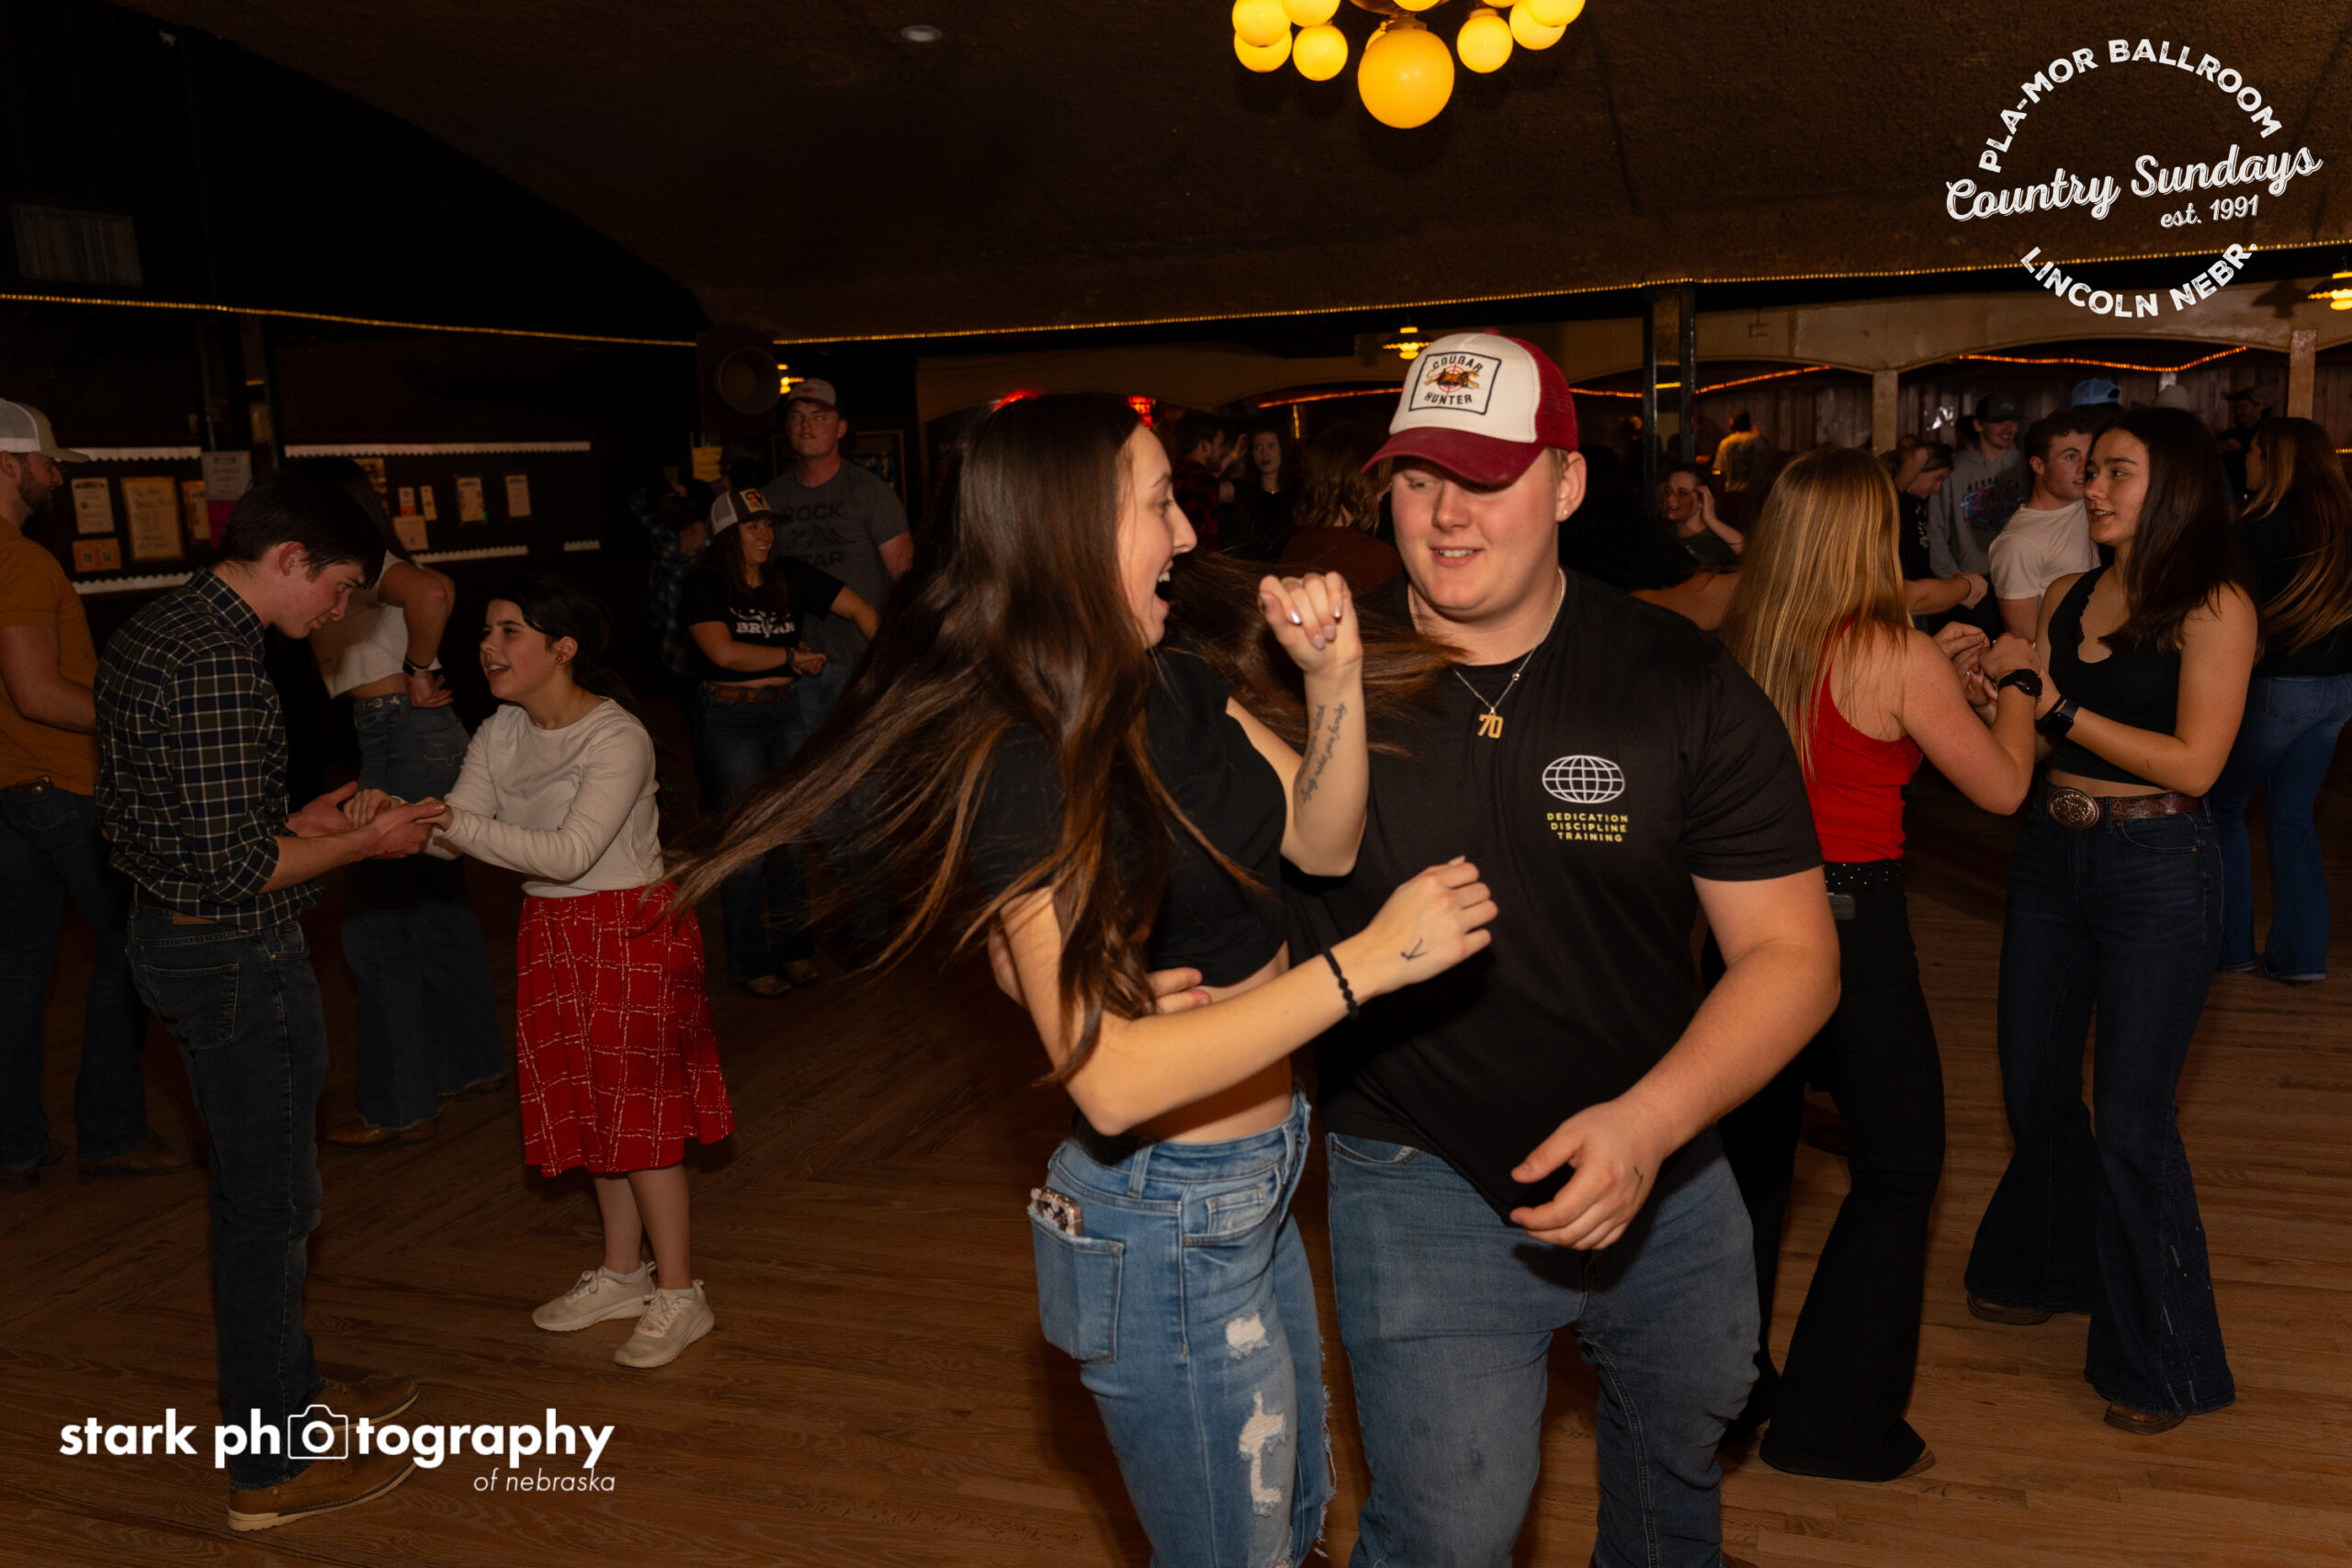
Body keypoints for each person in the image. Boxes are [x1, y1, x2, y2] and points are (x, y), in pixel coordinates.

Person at [665, 390, 1493, 1567]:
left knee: (1295, 1524)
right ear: (1071, 530)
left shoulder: (1171, 674)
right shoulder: (1021, 754)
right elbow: (1108, 1079)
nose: (1187, 534)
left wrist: (1333, 682)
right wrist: (1368, 963)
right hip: (1165, 1215)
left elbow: (1320, 844)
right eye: (1160, 505)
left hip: (1255, 1180)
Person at [1288, 333, 1840, 1568]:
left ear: (1567, 483)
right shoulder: (1319, 673)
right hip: (1422, 1166)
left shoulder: (1678, 679)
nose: (1445, 513)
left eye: (1485, 476)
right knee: (1450, 1531)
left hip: (1667, 1157)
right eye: (1419, 476)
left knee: (1673, 1480)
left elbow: (1792, 953)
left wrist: (1649, 1126)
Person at [96, 468, 447, 1530]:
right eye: (338, 588)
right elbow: (234, 870)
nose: (341, 612)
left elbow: (181, 826)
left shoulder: (159, 628)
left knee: (259, 1196)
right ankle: (272, 1463)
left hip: (176, 937)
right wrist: (366, 844)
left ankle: (289, 1395)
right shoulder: (217, 662)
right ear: (290, 559)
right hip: (231, 955)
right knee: (272, 1210)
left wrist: (305, 822)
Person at [1713, 446, 2040, 1481]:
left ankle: (1721, 1400)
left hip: (1736, 924)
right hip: (1849, 929)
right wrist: (2014, 684)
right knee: (1900, 1166)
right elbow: (2002, 788)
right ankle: (1833, 1423)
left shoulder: (1737, 638)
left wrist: (1947, 675)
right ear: (1870, 536)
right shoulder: (1891, 654)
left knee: (1746, 1172)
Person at [1963, 407, 2257, 1437]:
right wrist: (1989, 689)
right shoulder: (2066, 594)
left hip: (2158, 864)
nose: (2092, 488)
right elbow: (2032, 749)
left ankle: (2164, 1363)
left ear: (2173, 484)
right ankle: (2054, 1265)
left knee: (2133, 1119)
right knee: (2034, 1084)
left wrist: (2055, 705)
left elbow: (2197, 764)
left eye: (2116, 473)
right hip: (2053, 853)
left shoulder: (2214, 605)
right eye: (2090, 471)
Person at [351, 575, 733, 1367]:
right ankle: (623, 1273)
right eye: (486, 632)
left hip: (630, 929)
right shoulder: (502, 729)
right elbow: (455, 836)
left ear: (563, 649)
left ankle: (680, 1291)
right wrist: (393, 816)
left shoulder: (616, 736)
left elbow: (569, 854)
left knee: (640, 1120)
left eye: (509, 631)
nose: (488, 646)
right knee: (591, 1104)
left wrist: (450, 820)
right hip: (554, 930)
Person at [0, 400, 185, 1189]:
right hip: (65, 786)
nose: (56, 475)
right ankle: (111, 1132)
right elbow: (38, 693)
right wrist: (143, 714)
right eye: (47, 461)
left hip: (9, 789)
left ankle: (13, 1145)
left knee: (17, 969)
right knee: (130, 950)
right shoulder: (20, 561)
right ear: (8, 464)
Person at [301, 459, 506, 1145]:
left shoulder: (359, 558)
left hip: (398, 732)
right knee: (439, 908)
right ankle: (470, 1065)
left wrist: (419, 669)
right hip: (424, 733)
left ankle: (397, 1105)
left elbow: (433, 592)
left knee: (375, 928)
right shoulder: (373, 554)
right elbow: (436, 585)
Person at [680, 487, 877, 995]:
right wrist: (790, 657)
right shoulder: (705, 582)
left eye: (769, 524)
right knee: (746, 843)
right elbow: (723, 652)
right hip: (730, 718)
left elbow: (860, 609)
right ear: (728, 535)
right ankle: (752, 962)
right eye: (753, 526)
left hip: (784, 713)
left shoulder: (786, 575)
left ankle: (794, 951)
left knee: (788, 834)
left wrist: (886, 662)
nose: (765, 534)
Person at [2208, 418, 2352, 984]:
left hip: (2276, 689)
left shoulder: (2255, 530)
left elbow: (2225, 618)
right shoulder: (2343, 526)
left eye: (2252, 452)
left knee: (2221, 810)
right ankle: (2300, 958)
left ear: (2273, 461)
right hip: (2339, 691)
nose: (2245, 461)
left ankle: (2229, 949)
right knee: (2293, 818)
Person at [761, 378, 913, 732]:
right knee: (804, 759)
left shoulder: (871, 493)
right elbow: (758, 578)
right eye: (796, 417)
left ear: (841, 428)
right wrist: (780, 640)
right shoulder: (771, 498)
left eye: (819, 417)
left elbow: (905, 576)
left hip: (861, 660)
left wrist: (895, 654)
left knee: (861, 757)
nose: (806, 426)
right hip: (797, 660)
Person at [1988, 411, 2103, 640]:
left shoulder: (2087, 503)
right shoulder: (2018, 542)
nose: (2084, 467)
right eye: (2070, 457)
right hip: (2063, 658)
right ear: (2038, 465)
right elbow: (2026, 637)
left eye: (2088, 456)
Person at [1276, 421, 1402, 593]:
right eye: (1383, 477)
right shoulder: (1379, 558)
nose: (1388, 488)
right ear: (1360, 481)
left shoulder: (1295, 546)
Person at [629, 472, 714, 716]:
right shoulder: (717, 552)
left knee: (690, 715)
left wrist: (670, 488)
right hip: (708, 651)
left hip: (675, 650)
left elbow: (636, 501)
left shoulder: (665, 540)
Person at [1926, 393, 2027, 580]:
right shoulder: (1954, 468)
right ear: (1978, 425)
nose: (2008, 428)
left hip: (2019, 576)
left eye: (2013, 421)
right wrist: (1954, 576)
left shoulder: (2028, 466)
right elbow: (1936, 529)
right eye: (1999, 421)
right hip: (1969, 577)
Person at [1889, 441, 1988, 624]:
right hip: (1903, 599)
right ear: (1919, 470)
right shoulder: (1896, 498)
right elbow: (1920, 454)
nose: (1938, 488)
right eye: (1937, 478)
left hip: (1920, 601)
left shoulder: (1916, 505)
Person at [1225, 418, 1296, 560]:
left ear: (1283, 449)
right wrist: (1232, 457)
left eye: (1271, 446)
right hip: (1254, 569)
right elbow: (1202, 487)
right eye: (1258, 448)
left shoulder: (1299, 490)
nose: (1265, 453)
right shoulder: (1243, 490)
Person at [1660, 460, 1744, 570]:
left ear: (1701, 498)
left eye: (1682, 493)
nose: (1670, 498)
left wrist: (1711, 520)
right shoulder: (1662, 538)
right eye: (1667, 491)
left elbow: (1751, 554)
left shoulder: (1719, 542)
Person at [1167, 411, 1227, 547]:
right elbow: (1196, 534)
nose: (1222, 451)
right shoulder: (1203, 481)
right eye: (1220, 445)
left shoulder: (1172, 475)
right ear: (1205, 445)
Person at [2216, 387, 2268, 499]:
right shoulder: (2229, 434)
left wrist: (2241, 449)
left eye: (2243, 407)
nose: (2238, 412)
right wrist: (2222, 447)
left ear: (2258, 407)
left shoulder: (2267, 435)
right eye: (2236, 408)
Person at [1712, 408, 1772, 496]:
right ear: (1749, 423)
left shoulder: (1726, 443)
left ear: (1733, 425)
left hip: (1732, 492)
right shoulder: (1759, 440)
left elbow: (1719, 470)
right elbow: (1769, 465)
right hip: (1755, 491)